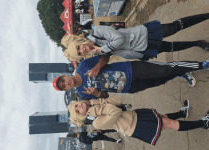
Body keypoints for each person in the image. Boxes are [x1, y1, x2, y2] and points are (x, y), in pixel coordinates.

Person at [63, 13, 209, 62]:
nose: (82, 50)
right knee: (171, 47)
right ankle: (197, 43)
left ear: (79, 41)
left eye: (78, 47)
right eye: (80, 53)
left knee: (174, 27)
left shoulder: (96, 31)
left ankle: (206, 16)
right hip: (142, 50)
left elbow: (119, 39)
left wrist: (103, 48)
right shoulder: (96, 51)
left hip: (143, 34)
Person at [53, 54, 209, 99]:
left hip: (131, 70)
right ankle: (181, 72)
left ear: (65, 76)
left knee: (166, 70)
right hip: (129, 88)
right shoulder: (82, 93)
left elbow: (105, 57)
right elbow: (106, 95)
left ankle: (201, 64)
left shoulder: (82, 67)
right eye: (64, 86)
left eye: (63, 81)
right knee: (161, 80)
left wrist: (97, 67)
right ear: (67, 89)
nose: (66, 83)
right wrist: (96, 94)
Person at [68, 96, 209, 146]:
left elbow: (117, 101)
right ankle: (203, 123)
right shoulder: (96, 122)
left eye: (77, 105)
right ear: (81, 116)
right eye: (78, 111)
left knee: (163, 118)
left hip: (135, 116)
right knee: (169, 124)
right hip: (136, 126)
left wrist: (99, 101)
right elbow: (115, 112)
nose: (79, 107)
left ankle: (182, 113)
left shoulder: (96, 105)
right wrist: (97, 109)